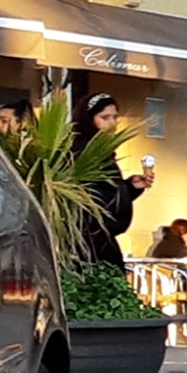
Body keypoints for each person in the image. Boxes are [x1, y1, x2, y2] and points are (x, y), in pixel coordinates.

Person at [72, 94, 153, 269]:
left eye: (115, 117)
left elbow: (107, 192)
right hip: (87, 237)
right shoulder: (83, 149)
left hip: (100, 236)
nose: (112, 123)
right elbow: (92, 193)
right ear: (89, 119)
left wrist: (130, 187)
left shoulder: (102, 150)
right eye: (104, 117)